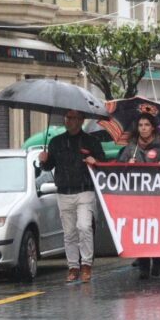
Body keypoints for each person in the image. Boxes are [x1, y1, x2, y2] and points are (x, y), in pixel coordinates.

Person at [39, 110, 105, 283]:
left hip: (85, 191)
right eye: (67, 118)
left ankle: (86, 265)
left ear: (82, 120)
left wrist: (95, 161)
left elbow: (102, 162)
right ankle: (73, 266)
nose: (69, 121)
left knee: (84, 227)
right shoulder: (56, 142)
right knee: (69, 232)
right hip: (63, 192)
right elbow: (48, 167)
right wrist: (44, 161)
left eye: (73, 118)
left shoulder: (91, 141)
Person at [117, 113, 160, 279]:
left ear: (152, 127)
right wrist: (127, 165)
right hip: (138, 196)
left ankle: (157, 261)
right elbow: (117, 169)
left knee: (157, 229)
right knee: (141, 229)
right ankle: (143, 264)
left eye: (147, 125)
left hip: (158, 197)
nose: (143, 128)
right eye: (141, 125)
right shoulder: (131, 148)